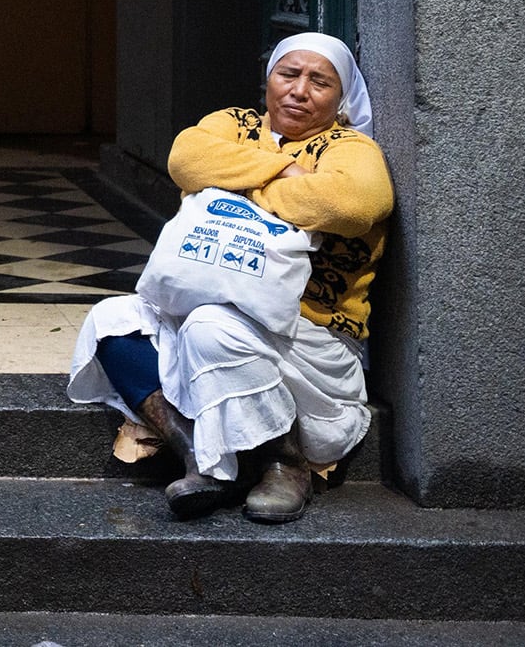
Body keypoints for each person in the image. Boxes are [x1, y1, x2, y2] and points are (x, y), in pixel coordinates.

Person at [66, 33, 394, 523]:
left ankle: (285, 465)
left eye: (319, 82)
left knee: (212, 326)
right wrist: (285, 174)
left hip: (306, 336)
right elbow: (186, 159)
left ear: (341, 96)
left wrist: (235, 187)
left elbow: (354, 203)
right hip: (212, 312)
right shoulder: (235, 123)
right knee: (111, 320)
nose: (299, 90)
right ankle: (200, 456)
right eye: (288, 74)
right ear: (269, 79)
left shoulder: (350, 148)